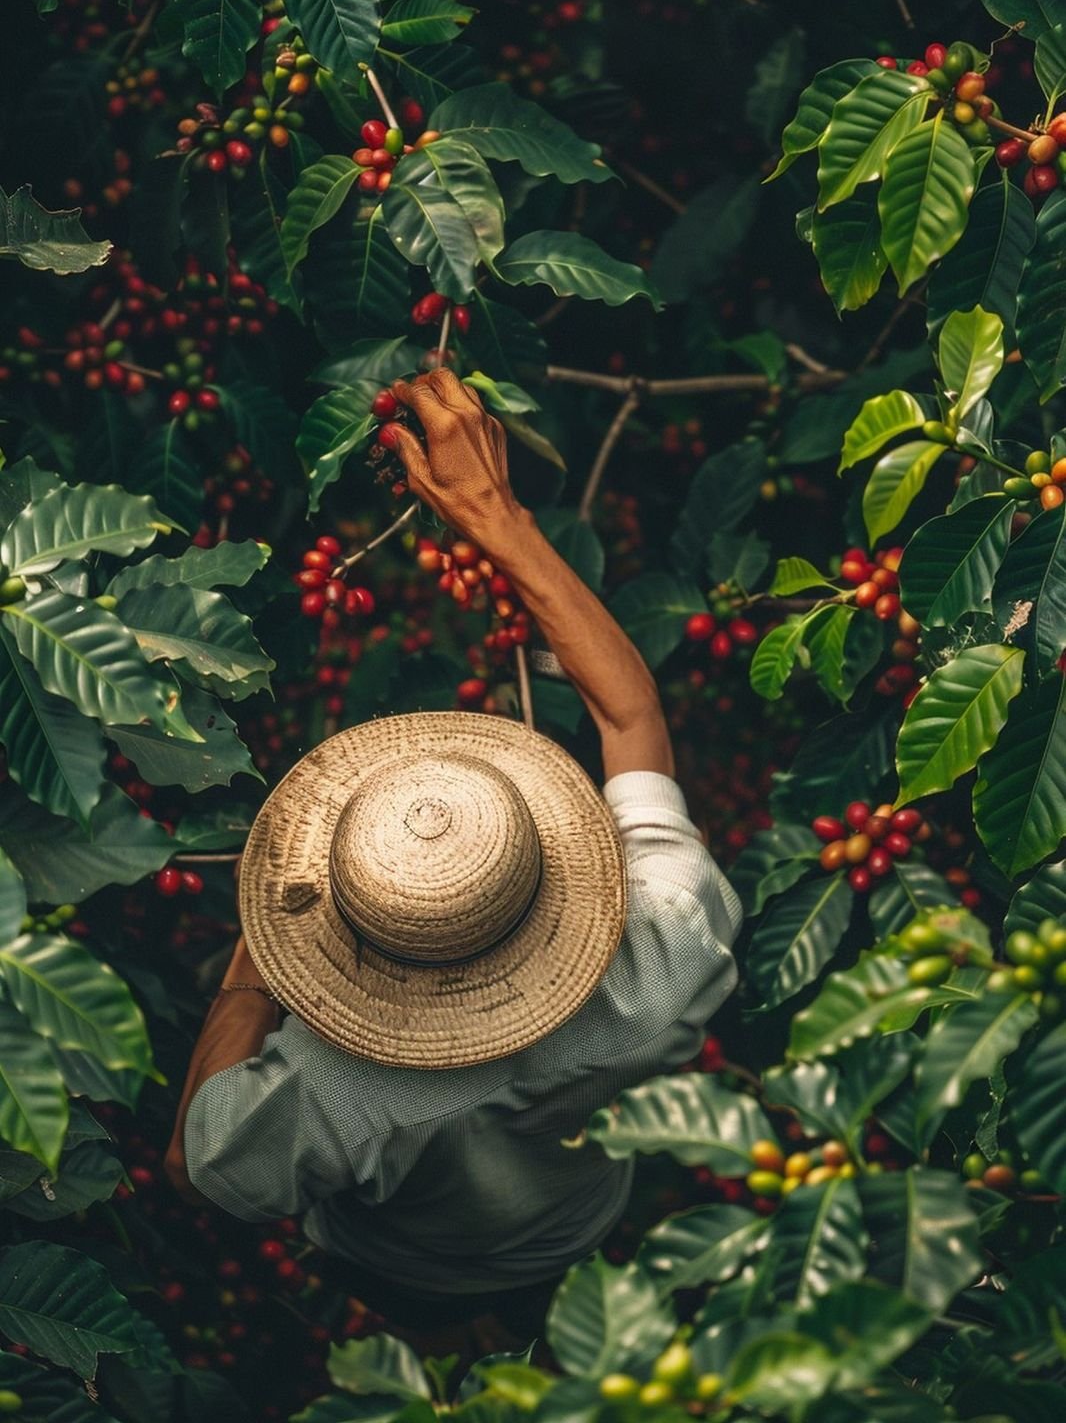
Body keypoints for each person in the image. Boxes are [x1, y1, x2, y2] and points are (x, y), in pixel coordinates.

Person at [165, 369, 741, 1356]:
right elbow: (628, 716)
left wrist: (253, 964)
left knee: (435, 1338)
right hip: (575, 1225)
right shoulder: (665, 957)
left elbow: (191, 1164)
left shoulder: (319, 1092)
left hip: (398, 1259)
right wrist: (495, 513)